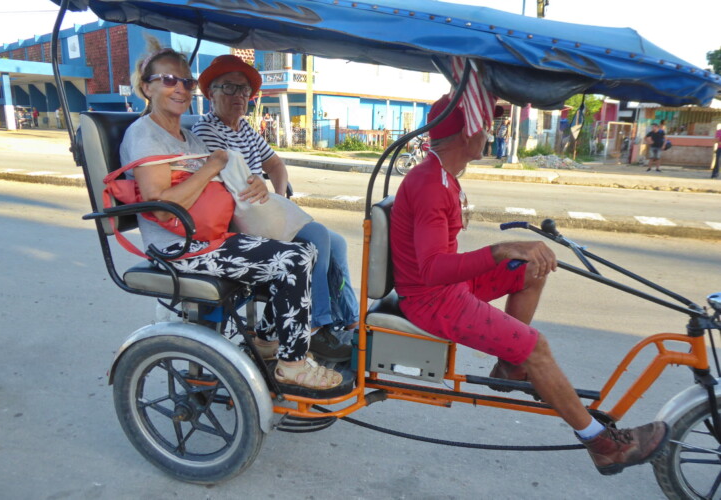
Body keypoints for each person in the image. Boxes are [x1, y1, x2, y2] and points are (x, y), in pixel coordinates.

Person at [389, 94, 668, 475]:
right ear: (466, 133)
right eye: (485, 125)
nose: (491, 132)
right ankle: (601, 444)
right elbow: (434, 269)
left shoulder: (443, 176)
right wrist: (501, 248)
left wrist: (513, 253)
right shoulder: (431, 184)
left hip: (444, 289)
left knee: (530, 267)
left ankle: (507, 366)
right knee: (536, 348)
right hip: (431, 299)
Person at [119, 40, 343, 392]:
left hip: (208, 237)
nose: (179, 88)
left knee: (306, 249)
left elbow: (223, 184)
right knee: (293, 257)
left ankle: (270, 340)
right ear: (146, 87)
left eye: (185, 82)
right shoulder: (146, 135)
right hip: (179, 248)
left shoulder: (187, 137)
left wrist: (253, 184)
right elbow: (161, 206)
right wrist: (212, 166)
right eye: (168, 80)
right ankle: (293, 364)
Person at [192, 55, 358, 362]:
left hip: (263, 210)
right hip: (239, 218)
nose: (238, 96)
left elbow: (276, 164)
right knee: (318, 236)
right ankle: (316, 325)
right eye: (229, 88)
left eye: (243, 90)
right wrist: (264, 194)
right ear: (210, 94)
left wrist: (279, 196)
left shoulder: (246, 130)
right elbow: (229, 183)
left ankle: (347, 320)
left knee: (337, 242)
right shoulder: (206, 131)